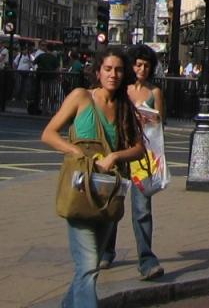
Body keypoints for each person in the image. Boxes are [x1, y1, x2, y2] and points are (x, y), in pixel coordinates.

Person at [42, 48, 146, 308]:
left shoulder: (123, 106)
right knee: (88, 266)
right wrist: (76, 151)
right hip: (80, 190)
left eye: (118, 70)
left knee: (89, 268)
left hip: (107, 193)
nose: (113, 74)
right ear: (98, 72)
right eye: (108, 69)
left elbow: (139, 148)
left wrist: (115, 156)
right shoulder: (81, 97)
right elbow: (49, 133)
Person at [102, 44, 166, 281]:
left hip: (143, 157)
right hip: (120, 152)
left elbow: (160, 122)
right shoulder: (122, 89)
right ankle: (106, 251)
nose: (142, 69)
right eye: (138, 65)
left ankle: (147, 260)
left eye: (146, 66)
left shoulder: (154, 92)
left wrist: (150, 118)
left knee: (142, 209)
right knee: (113, 204)